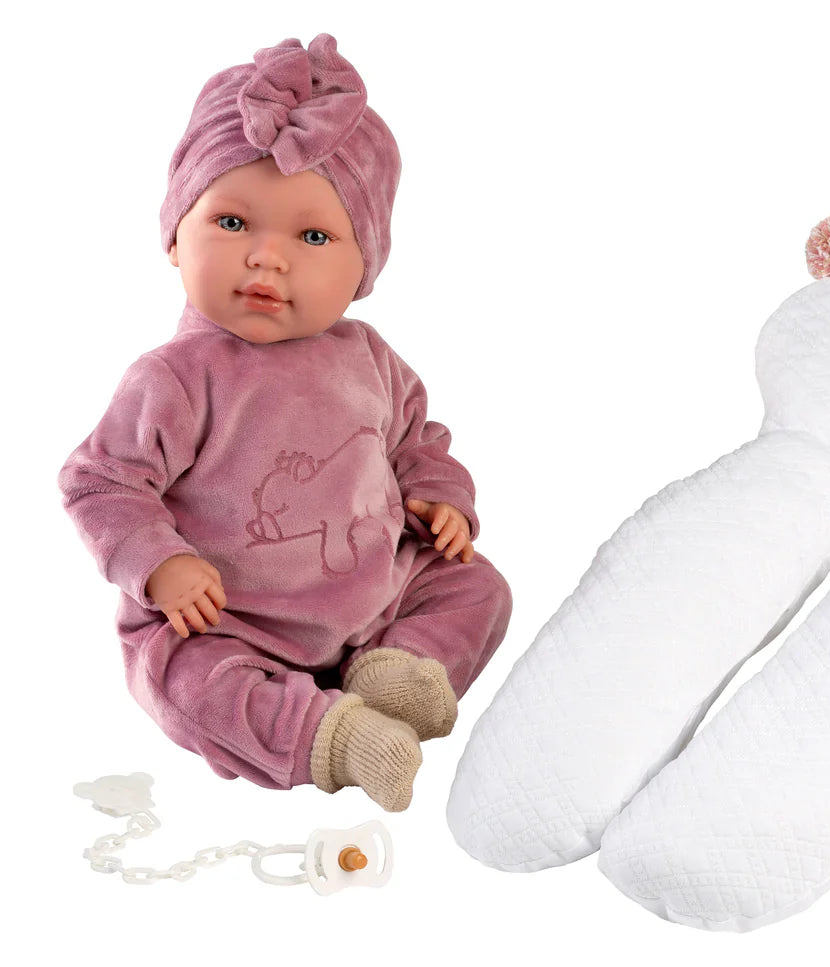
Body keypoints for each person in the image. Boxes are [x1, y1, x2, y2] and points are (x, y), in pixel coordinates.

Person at [58, 34, 511, 812]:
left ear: (362, 267)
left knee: (480, 587)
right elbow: (100, 481)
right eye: (234, 222)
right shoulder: (176, 377)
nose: (267, 258)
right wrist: (161, 563)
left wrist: (442, 501)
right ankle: (333, 737)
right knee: (182, 685)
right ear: (176, 237)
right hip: (229, 625)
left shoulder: (369, 357)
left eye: (313, 237)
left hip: (374, 593)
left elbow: (416, 442)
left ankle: (393, 672)